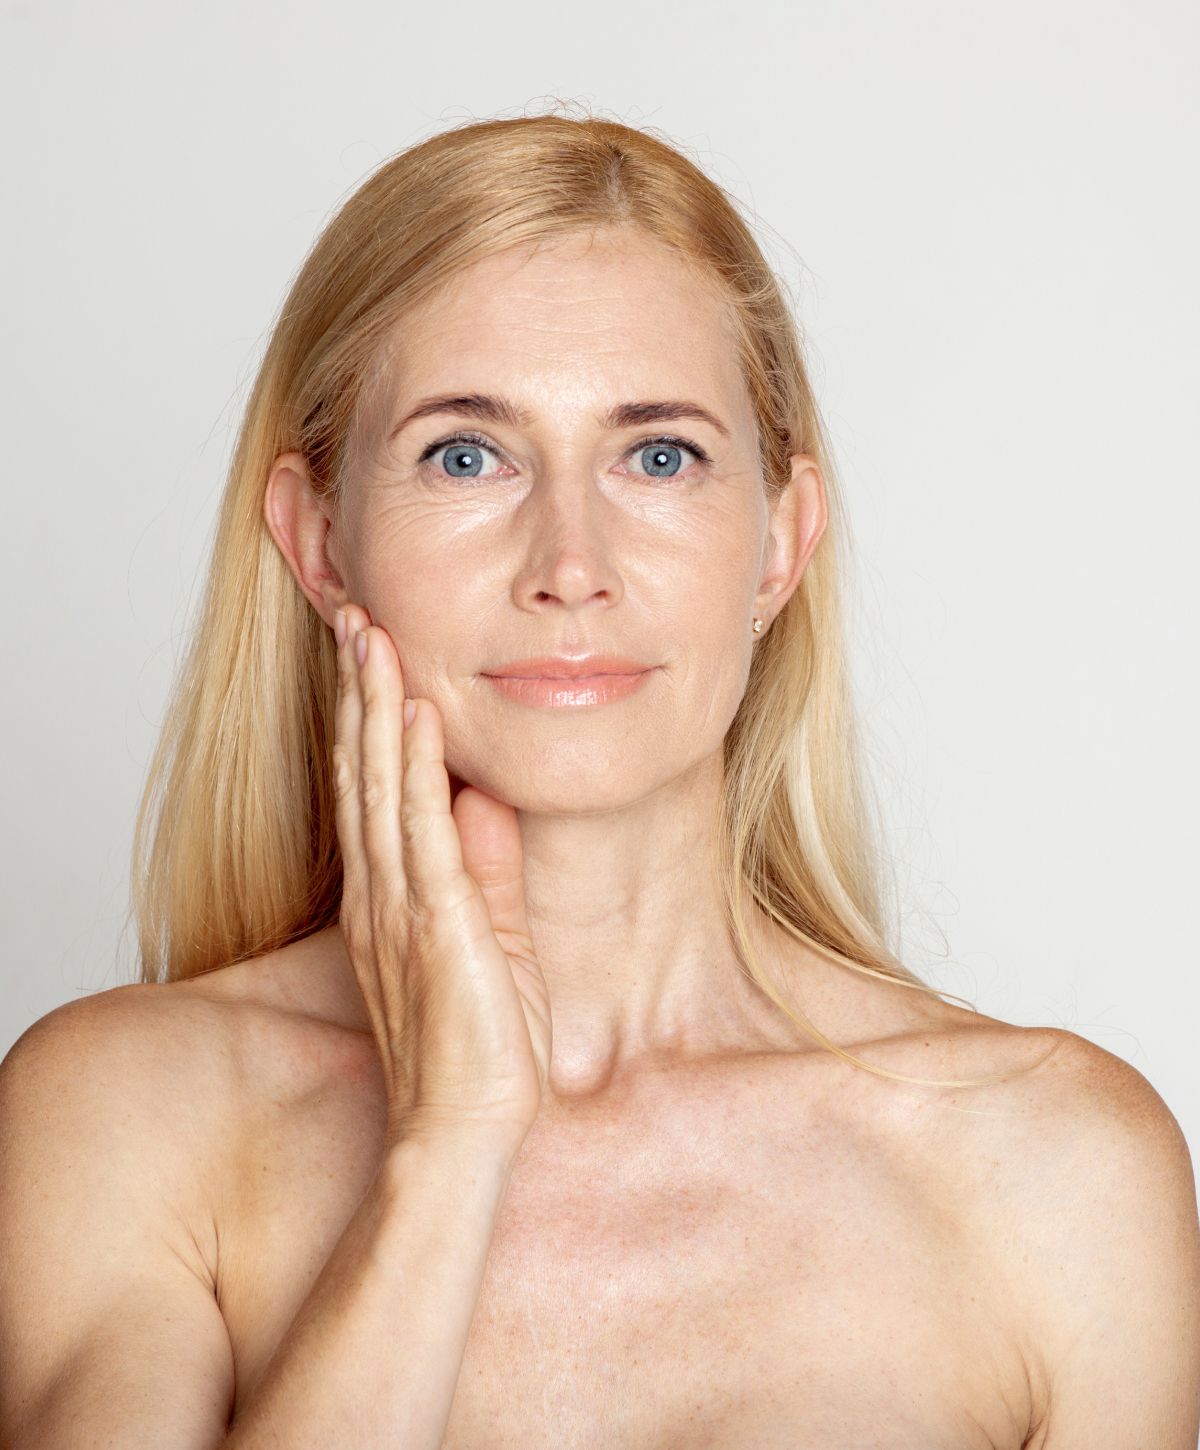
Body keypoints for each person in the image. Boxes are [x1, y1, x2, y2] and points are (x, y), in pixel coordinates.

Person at [1, 108, 1197, 1450]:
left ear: (779, 546)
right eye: (468, 453)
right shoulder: (116, 1119)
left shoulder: (1057, 1171)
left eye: (660, 454)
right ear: (317, 539)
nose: (570, 561)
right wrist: (448, 1153)